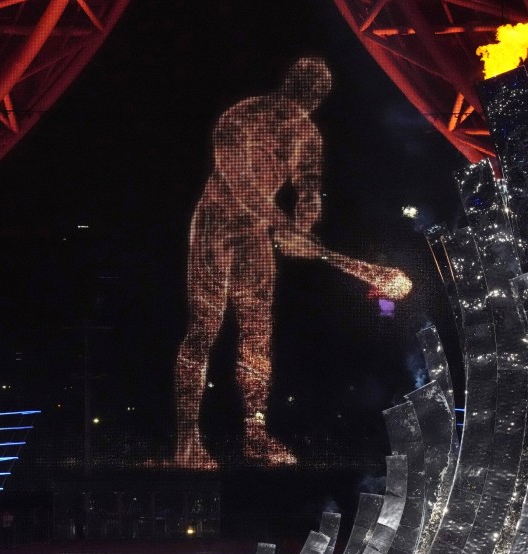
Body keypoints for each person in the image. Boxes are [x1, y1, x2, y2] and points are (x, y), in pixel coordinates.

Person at [174, 56, 411, 469]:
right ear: (290, 85)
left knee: (257, 334)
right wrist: (285, 226)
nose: (306, 104)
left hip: (255, 237)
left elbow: (310, 191)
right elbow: (240, 184)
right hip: (215, 224)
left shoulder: (308, 135)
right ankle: (188, 441)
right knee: (205, 326)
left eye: (314, 98)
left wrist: (301, 226)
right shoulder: (241, 117)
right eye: (304, 92)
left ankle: (255, 435)